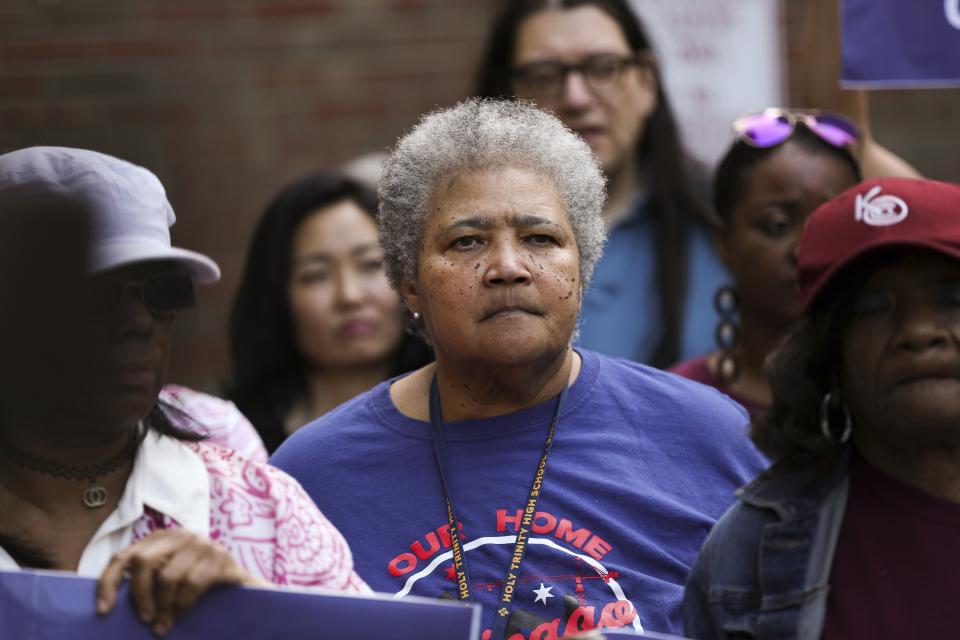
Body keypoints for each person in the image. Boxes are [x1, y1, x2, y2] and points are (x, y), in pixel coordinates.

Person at [270, 99, 767, 638]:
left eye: (540, 239)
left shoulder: (708, 438)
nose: (507, 267)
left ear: (582, 265)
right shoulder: (311, 478)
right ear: (408, 280)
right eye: (467, 241)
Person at [0, 147, 367, 637]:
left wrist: (255, 608)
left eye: (162, 292)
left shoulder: (258, 505)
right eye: (97, 292)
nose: (138, 321)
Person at [683, 177, 960, 639]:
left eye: (952, 299)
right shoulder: (752, 546)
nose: (918, 331)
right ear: (828, 357)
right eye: (874, 308)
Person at [474, 0, 726, 367]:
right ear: (506, 95)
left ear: (646, 81)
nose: (576, 97)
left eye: (604, 69)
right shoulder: (456, 246)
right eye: (544, 75)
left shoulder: (723, 223)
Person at [670, 109, 863, 415]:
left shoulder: (886, 400)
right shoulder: (677, 400)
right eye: (777, 225)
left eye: (831, 226)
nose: (804, 250)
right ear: (723, 241)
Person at [227, 173, 432, 454]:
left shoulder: (463, 413)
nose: (349, 296)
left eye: (371, 265)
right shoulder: (236, 442)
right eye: (316, 275)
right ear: (276, 295)